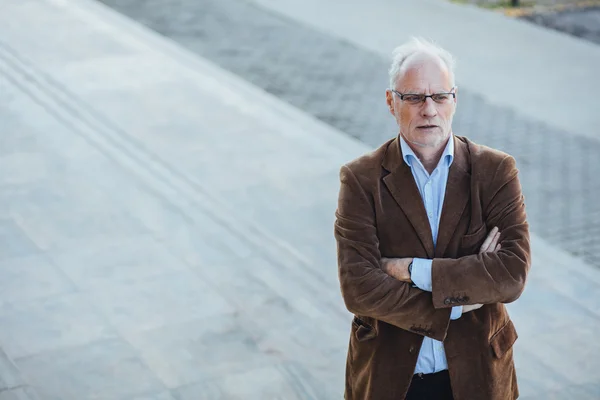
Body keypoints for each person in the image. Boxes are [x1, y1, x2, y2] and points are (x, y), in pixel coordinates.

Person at [333, 37, 531, 400]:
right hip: (391, 379)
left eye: (439, 96)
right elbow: (359, 287)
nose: (429, 109)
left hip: (479, 376)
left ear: (454, 100)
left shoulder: (496, 171)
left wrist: (412, 271)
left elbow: (511, 273)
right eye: (414, 97)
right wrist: (460, 298)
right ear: (391, 102)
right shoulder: (360, 179)